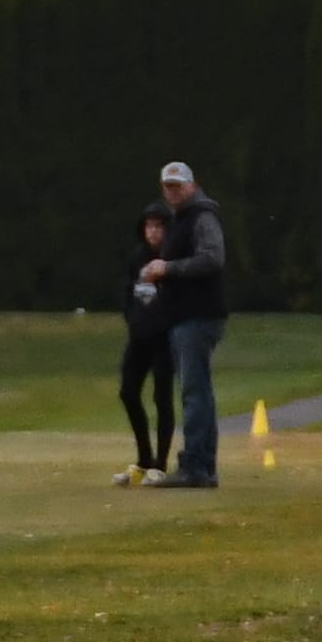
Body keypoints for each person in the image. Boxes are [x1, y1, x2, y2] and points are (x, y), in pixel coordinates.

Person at [142, 160, 227, 489]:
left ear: (192, 185)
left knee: (194, 392)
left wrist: (168, 268)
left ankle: (195, 466)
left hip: (198, 316)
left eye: (178, 185)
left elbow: (212, 258)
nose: (172, 191)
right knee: (199, 391)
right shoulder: (181, 219)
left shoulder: (202, 216)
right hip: (186, 316)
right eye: (168, 186)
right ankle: (203, 466)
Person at [112, 201, 174, 487]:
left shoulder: (173, 258)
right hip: (139, 337)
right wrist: (133, 319)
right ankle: (143, 458)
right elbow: (129, 292)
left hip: (165, 339)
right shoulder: (138, 257)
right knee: (128, 392)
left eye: (159, 226)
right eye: (149, 226)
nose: (153, 232)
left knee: (162, 398)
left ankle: (160, 464)